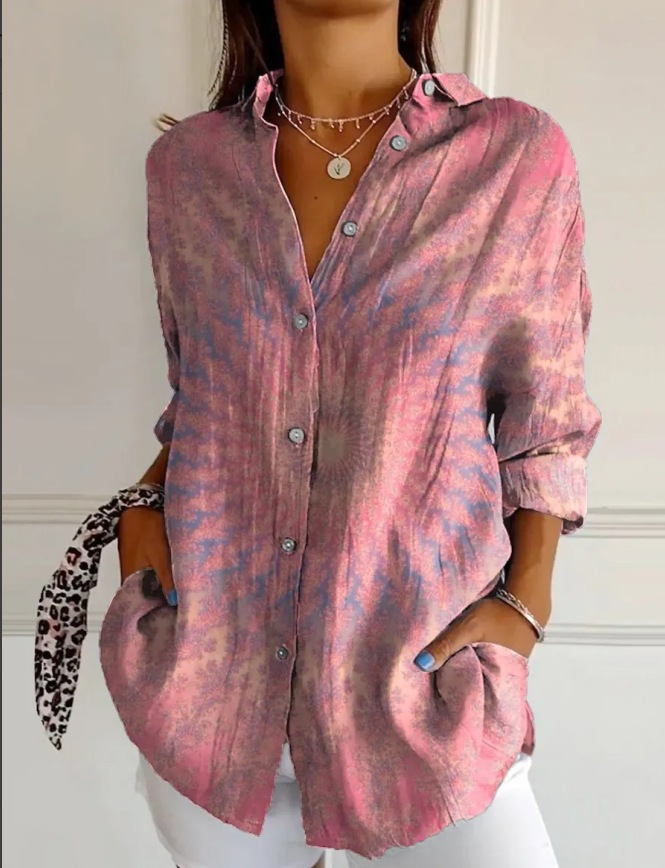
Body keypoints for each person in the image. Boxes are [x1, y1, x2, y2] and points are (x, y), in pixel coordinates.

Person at [36, 1, 601, 866]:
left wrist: (525, 606)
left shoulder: (512, 157)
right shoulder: (187, 170)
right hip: (210, 690)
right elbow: (205, 396)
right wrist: (142, 518)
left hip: (423, 691)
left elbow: (546, 418)